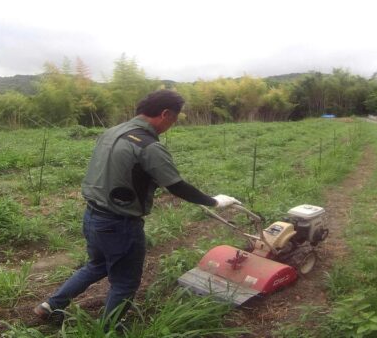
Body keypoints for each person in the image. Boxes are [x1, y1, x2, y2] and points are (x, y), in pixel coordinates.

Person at [33, 89, 240, 323]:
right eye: (174, 119)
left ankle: (50, 305)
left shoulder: (111, 132)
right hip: (120, 224)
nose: (172, 125)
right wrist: (214, 201)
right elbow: (176, 186)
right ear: (165, 114)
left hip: (92, 216)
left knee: (97, 265)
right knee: (125, 283)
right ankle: (109, 329)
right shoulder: (148, 145)